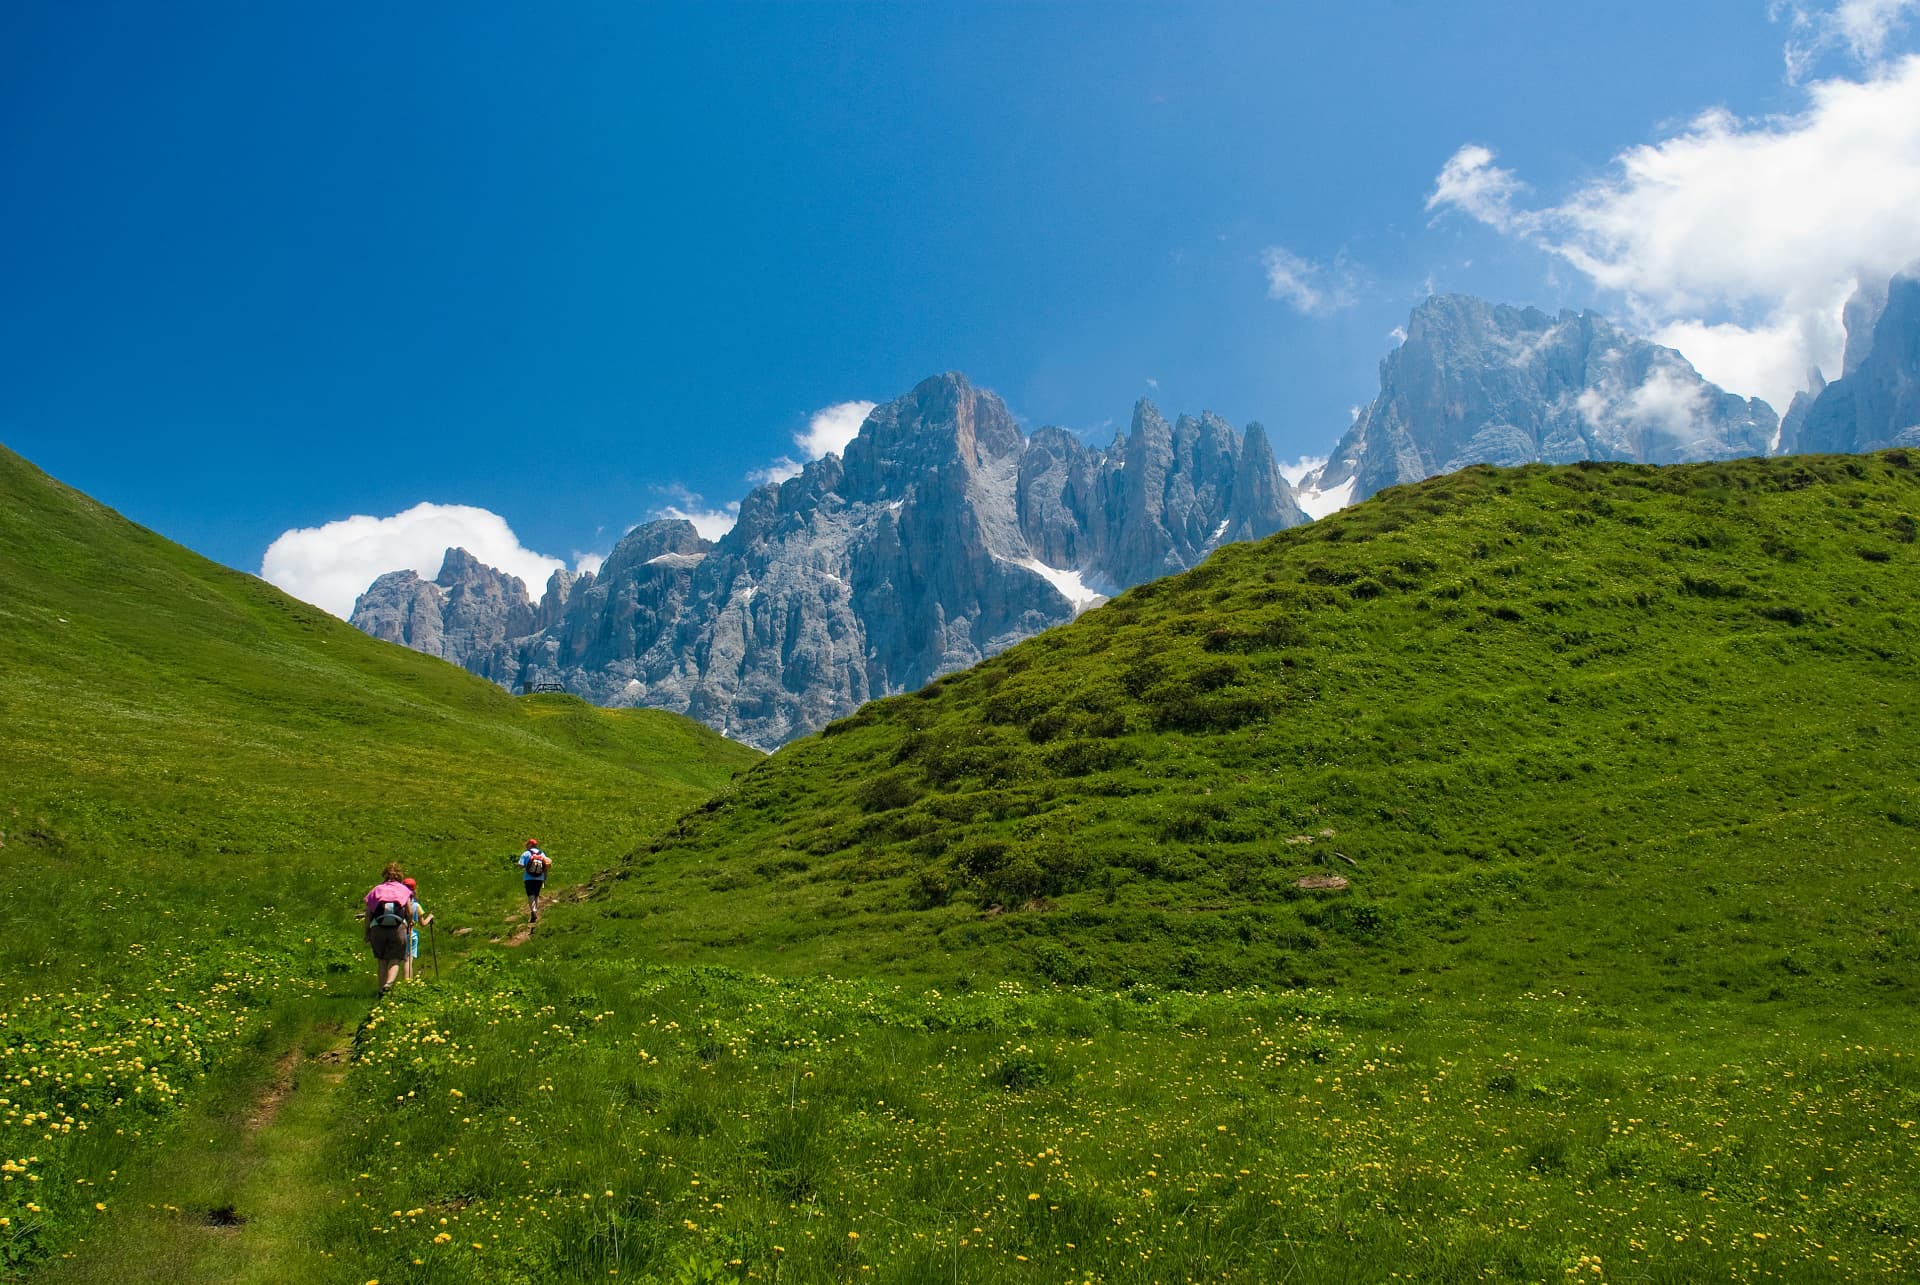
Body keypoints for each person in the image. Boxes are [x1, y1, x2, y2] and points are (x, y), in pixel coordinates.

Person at [363, 862, 413, 995]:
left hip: (377, 928)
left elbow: (368, 913)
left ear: (384, 875)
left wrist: (367, 931)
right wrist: (409, 924)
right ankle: (389, 983)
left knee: (382, 960)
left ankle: (381, 991)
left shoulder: (377, 889)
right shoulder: (404, 890)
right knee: (395, 958)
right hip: (398, 928)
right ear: (400, 875)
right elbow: (409, 911)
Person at [401, 876, 434, 982]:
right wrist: (430, 917)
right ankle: (408, 982)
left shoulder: (399, 904)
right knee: (408, 960)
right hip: (411, 934)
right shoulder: (416, 905)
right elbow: (423, 923)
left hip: (399, 933)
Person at [514, 839, 551, 924]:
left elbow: (521, 865)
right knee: (536, 895)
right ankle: (536, 911)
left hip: (528, 878)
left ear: (530, 845)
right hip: (539, 878)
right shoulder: (542, 854)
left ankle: (533, 911)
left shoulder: (526, 853)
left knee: (530, 895)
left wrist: (517, 865)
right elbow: (546, 867)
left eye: (527, 844)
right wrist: (544, 879)